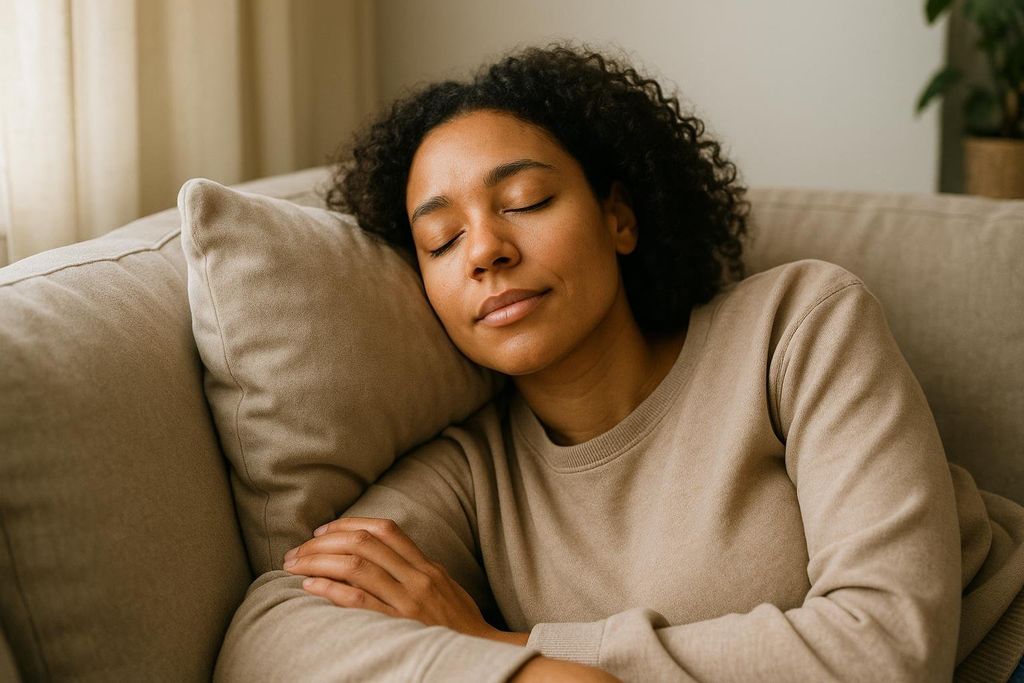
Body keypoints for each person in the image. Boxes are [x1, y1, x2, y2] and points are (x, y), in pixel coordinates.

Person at [275, 42, 1024, 681]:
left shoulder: (797, 323)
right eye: (440, 240)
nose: (485, 251)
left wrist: (518, 653)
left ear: (620, 219)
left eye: (525, 200)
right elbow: (271, 629)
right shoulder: (471, 476)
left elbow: (891, 649)